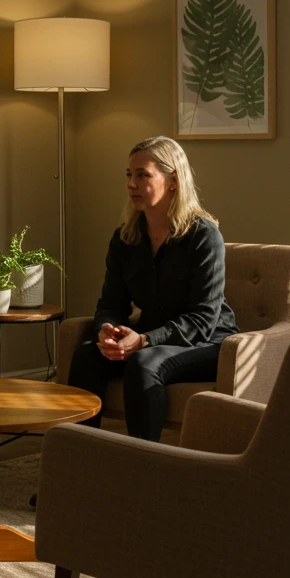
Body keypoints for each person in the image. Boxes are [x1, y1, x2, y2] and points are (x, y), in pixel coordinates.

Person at [67, 135, 238, 442]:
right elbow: (111, 302)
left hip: (207, 341)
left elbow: (203, 319)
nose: (131, 184)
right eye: (129, 175)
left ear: (173, 181)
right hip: (152, 337)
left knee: (145, 362)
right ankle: (78, 461)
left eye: (143, 175)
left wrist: (145, 340)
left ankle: (143, 468)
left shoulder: (203, 236)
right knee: (88, 355)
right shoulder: (125, 237)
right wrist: (107, 329)